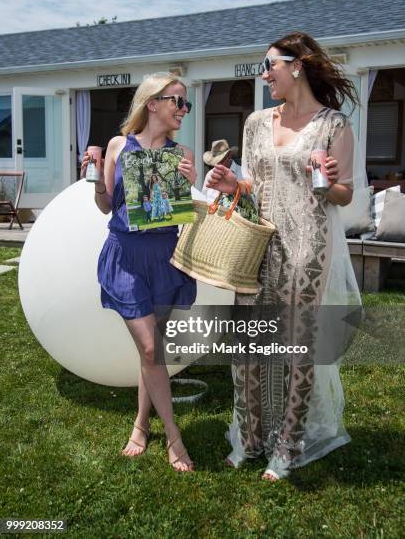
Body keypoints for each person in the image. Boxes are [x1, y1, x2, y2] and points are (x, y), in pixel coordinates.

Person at [207, 32, 362, 481]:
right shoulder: (255, 122)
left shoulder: (335, 126)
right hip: (256, 244)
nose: (263, 73)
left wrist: (326, 182)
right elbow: (253, 183)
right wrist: (232, 185)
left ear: (296, 65)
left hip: (305, 249)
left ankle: (288, 445)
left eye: (269, 64)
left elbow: (344, 194)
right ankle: (251, 437)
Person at [81, 72, 197, 472]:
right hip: (127, 256)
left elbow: (176, 212)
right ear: (152, 103)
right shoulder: (119, 145)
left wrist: (189, 185)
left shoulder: (180, 153)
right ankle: (174, 438)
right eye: (177, 102)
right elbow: (104, 204)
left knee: (153, 352)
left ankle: (139, 425)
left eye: (187, 104)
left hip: (165, 256)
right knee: (150, 349)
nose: (184, 110)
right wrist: (97, 179)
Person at [202, 139, 241, 204]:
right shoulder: (210, 174)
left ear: (229, 155)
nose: (218, 165)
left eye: (221, 160)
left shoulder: (242, 173)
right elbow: (203, 198)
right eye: (215, 162)